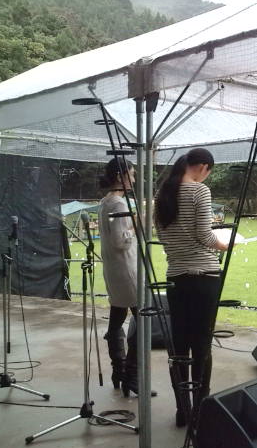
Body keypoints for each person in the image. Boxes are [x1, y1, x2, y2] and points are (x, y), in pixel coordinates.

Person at [154, 148, 229, 428]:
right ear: (203, 167)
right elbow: (204, 234)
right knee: (201, 345)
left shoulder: (163, 194)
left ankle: (182, 410)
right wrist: (224, 244)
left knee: (180, 347)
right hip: (203, 277)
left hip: (176, 278)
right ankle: (200, 408)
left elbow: (162, 235)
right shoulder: (199, 191)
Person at [98, 157, 156, 398]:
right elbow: (120, 241)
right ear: (120, 176)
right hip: (126, 270)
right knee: (143, 323)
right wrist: (138, 222)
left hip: (114, 270)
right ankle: (131, 376)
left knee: (117, 319)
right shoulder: (118, 203)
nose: (133, 179)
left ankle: (119, 371)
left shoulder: (105, 201)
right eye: (131, 174)